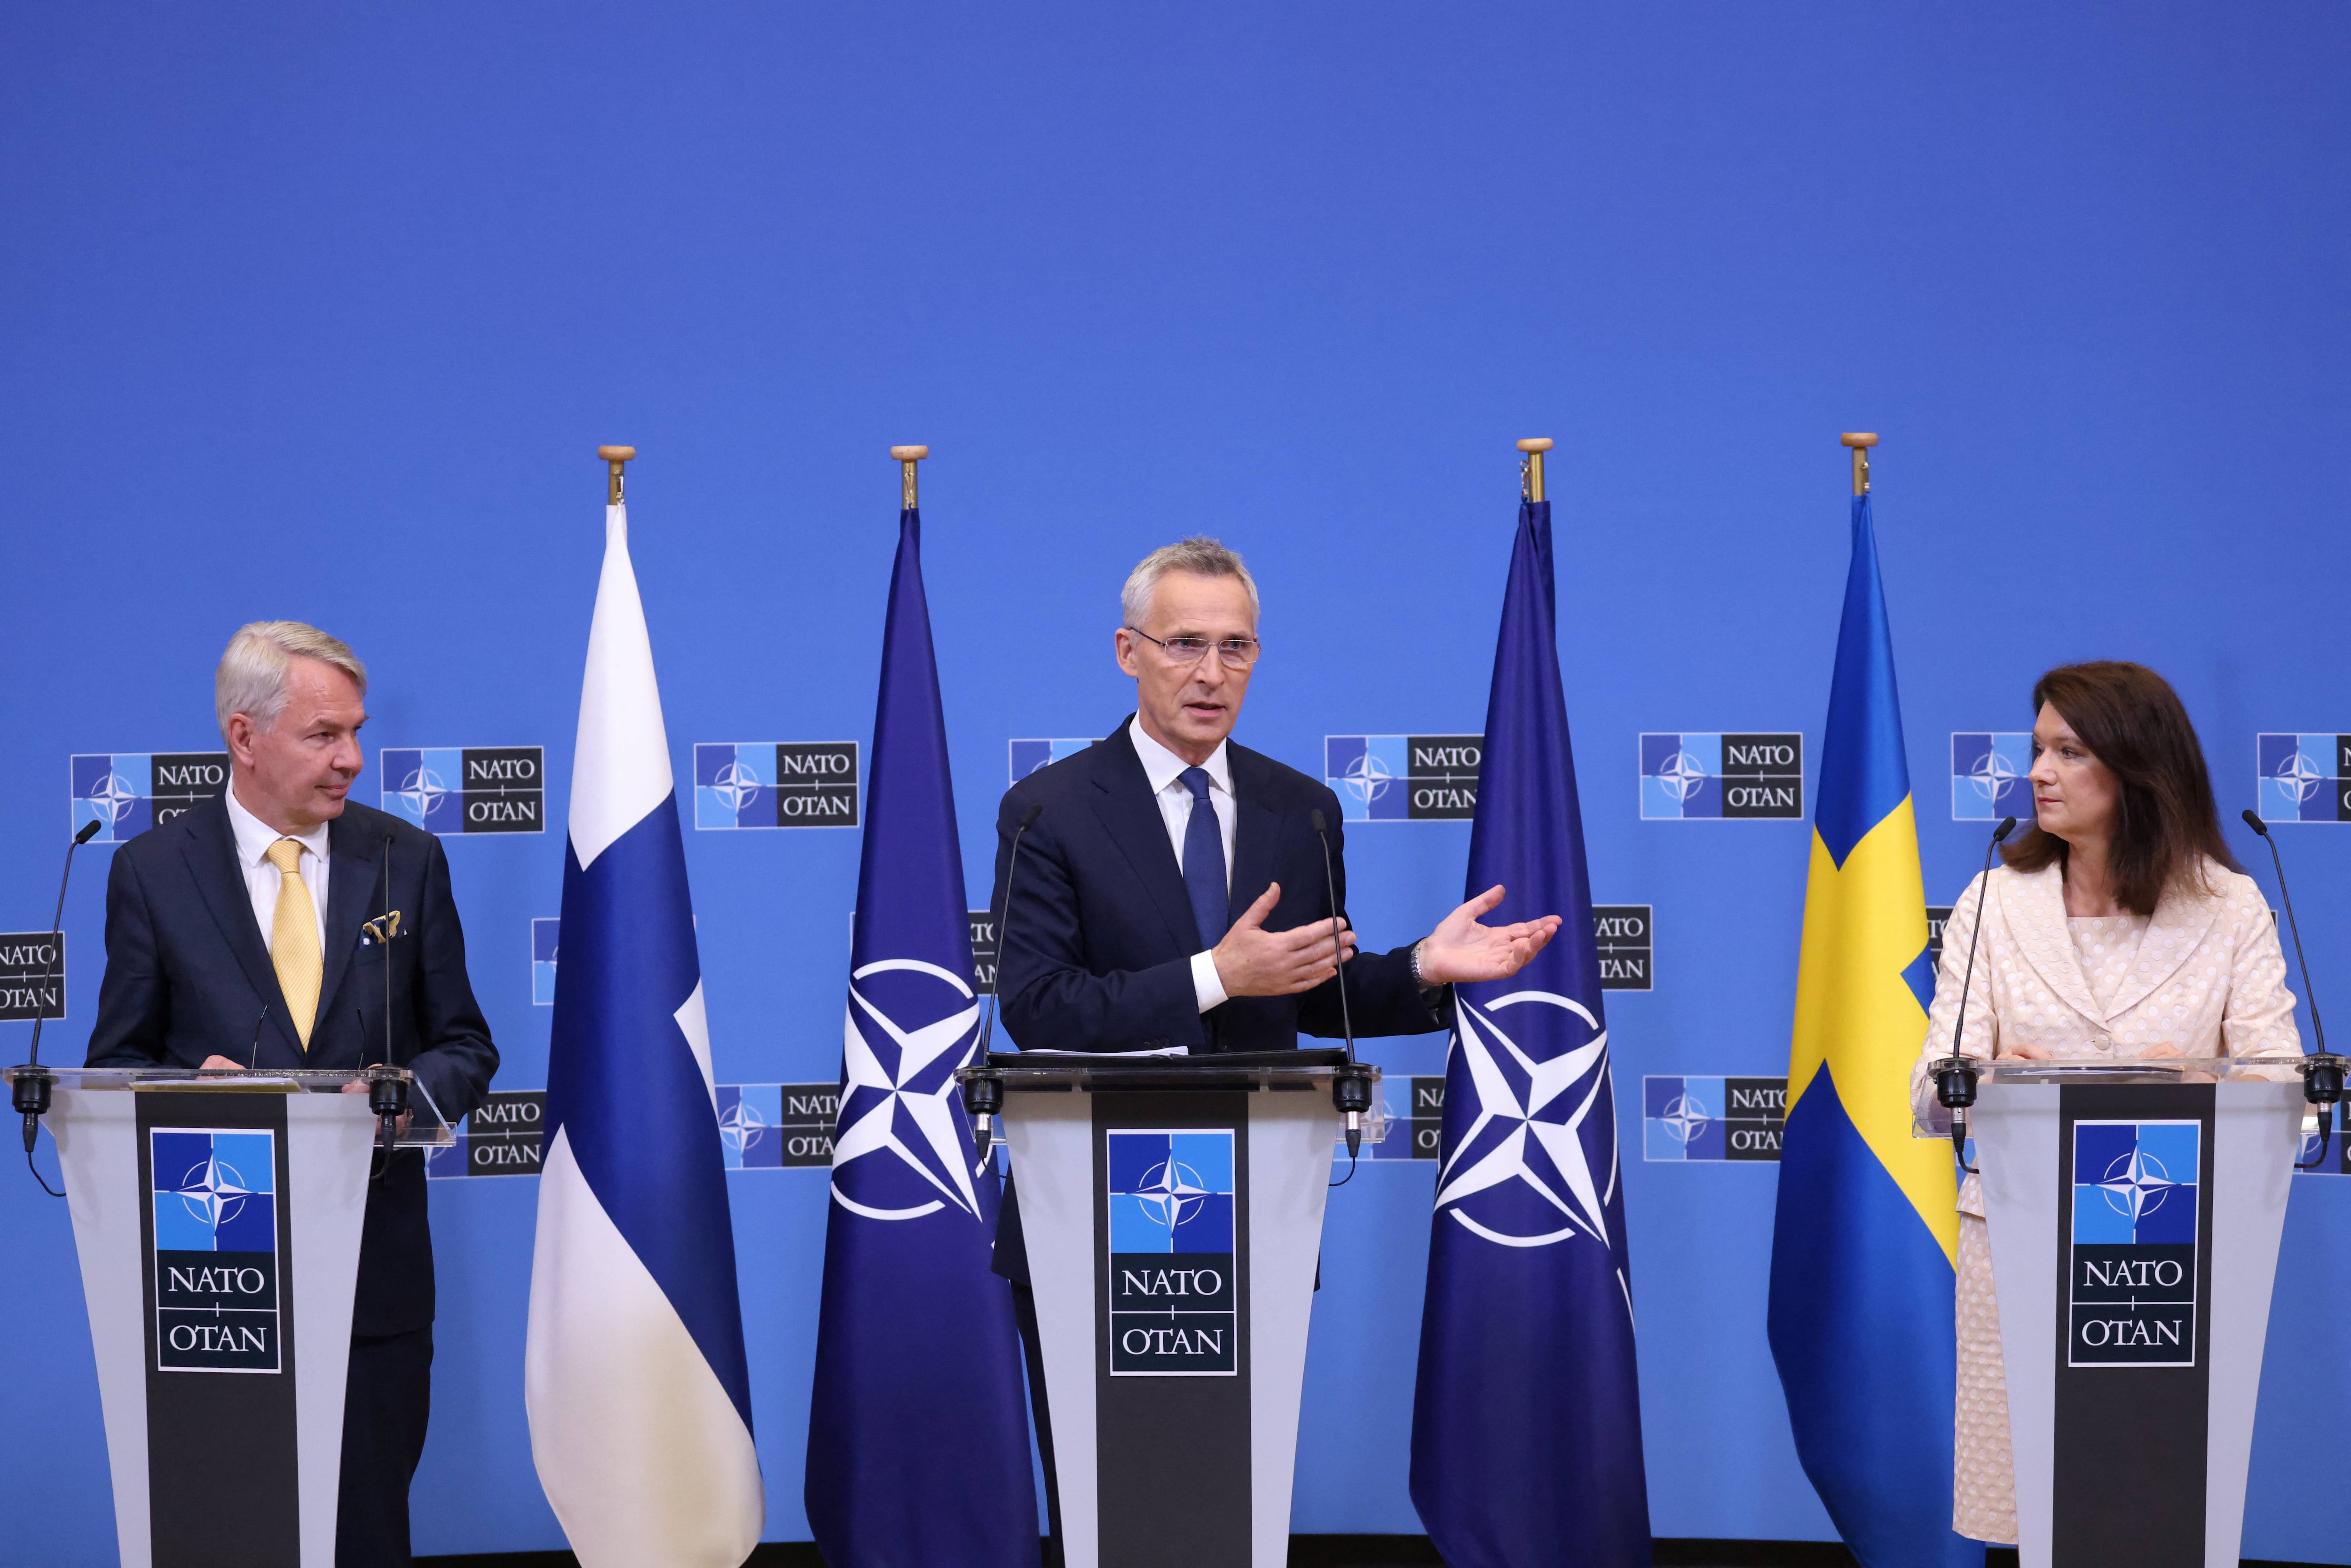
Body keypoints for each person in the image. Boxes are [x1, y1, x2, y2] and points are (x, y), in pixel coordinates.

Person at [988, 537, 1560, 1563]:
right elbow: (1038, 1006)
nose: (1211, 674)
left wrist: (1425, 967)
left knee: (1225, 1497)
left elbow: (1315, 989)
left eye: (1236, 647)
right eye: (1184, 645)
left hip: (1251, 1201)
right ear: (1128, 652)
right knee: (1109, 1506)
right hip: (1090, 1208)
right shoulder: (1050, 810)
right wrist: (1216, 976)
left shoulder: (1302, 808)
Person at [86, 621, 499, 1568]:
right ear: (244, 736)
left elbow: (467, 1045)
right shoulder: (151, 874)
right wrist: (189, 1091)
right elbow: (116, 1067)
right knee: (231, 1538)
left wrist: (395, 1100)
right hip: (220, 1284)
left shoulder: (405, 860)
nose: (352, 758)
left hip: (375, 1288)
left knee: (365, 1541)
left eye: (355, 732)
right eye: (324, 736)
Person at [1909, 661, 2300, 1546]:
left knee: (2149, 1511)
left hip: (2167, 1249)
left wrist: (2203, 1081)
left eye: (2069, 752)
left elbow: (2283, 1083)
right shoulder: (1994, 902)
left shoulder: (2228, 907)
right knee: (2026, 1513)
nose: (2039, 772)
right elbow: (1932, 1094)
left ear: (2138, 768)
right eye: (2039, 749)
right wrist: (1995, 1074)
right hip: (2016, 1240)